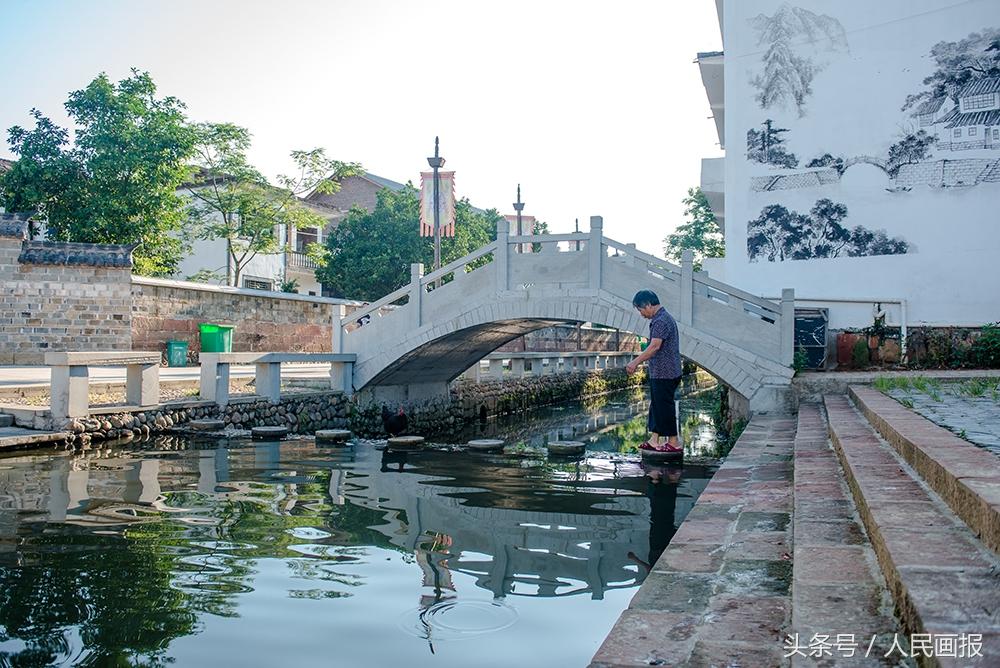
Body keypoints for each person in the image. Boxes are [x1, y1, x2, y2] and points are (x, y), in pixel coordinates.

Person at [626, 290, 682, 453]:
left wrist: (635, 361)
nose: (641, 314)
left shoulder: (661, 321)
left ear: (649, 305)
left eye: (641, 310)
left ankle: (673, 442)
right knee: (657, 406)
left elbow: (655, 346)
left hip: (665, 372)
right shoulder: (663, 318)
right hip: (664, 371)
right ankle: (654, 440)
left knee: (664, 407)